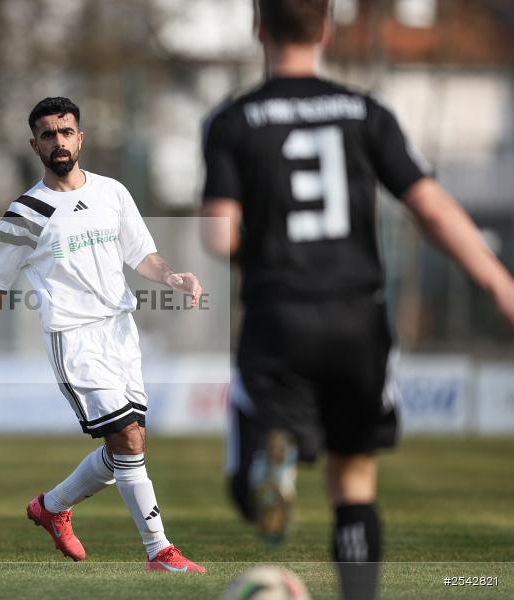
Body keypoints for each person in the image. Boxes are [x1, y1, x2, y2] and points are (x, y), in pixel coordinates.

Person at [201, 2, 514, 599]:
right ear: (326, 28)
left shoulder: (234, 121)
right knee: (354, 480)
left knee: (251, 462)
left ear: (259, 28)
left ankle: (270, 468)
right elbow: (431, 208)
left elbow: (219, 236)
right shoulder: (367, 113)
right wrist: (500, 285)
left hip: (279, 311)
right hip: (356, 315)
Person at [0, 97, 206, 573]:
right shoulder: (24, 213)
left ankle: (51, 508)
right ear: (35, 145)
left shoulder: (112, 191)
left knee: (126, 446)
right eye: (48, 134)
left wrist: (172, 276)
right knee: (128, 441)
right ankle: (159, 552)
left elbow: (143, 254)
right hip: (73, 339)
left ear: (80, 137)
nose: (58, 141)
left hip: (120, 333)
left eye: (66, 131)